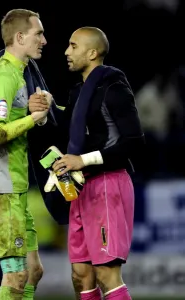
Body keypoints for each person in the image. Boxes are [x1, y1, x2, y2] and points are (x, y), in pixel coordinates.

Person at [49, 27, 145, 299]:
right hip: (80, 187)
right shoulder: (78, 93)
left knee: (106, 274)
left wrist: (82, 159)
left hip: (108, 184)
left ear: (92, 53)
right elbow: (71, 132)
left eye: (73, 46)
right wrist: (48, 111)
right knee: (81, 276)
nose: (67, 52)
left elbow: (134, 142)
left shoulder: (114, 87)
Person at [0, 9, 52, 300]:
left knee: (33, 271)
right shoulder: (4, 76)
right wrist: (34, 118)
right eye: (38, 33)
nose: (44, 39)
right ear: (19, 37)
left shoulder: (19, 74)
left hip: (12, 185)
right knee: (16, 276)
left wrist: (37, 111)